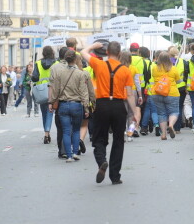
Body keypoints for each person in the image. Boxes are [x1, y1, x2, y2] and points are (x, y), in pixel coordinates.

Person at [81, 41, 140, 185]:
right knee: (119, 141)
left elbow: (83, 52)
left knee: (99, 138)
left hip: (102, 105)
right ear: (119, 53)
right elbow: (130, 95)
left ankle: (102, 160)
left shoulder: (99, 65)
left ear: (107, 53)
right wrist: (134, 113)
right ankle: (115, 176)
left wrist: (94, 46)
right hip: (119, 106)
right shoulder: (125, 70)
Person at [49, 50, 93, 162]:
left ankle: (68, 155)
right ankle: (74, 153)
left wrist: (51, 102)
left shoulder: (60, 73)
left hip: (63, 105)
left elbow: (56, 90)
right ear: (75, 60)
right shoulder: (81, 74)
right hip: (76, 105)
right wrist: (86, 107)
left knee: (66, 131)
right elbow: (84, 92)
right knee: (76, 130)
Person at [151, 51, 183, 141]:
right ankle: (171, 125)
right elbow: (178, 81)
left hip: (157, 93)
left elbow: (154, 78)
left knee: (161, 113)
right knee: (174, 112)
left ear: (158, 59)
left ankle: (163, 134)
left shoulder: (154, 68)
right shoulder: (173, 68)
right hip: (171, 93)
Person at [32, 46, 58, 145]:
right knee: (50, 112)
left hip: (41, 91)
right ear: (52, 52)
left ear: (43, 53)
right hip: (53, 90)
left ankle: (46, 133)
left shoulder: (38, 63)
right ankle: (47, 134)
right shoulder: (56, 63)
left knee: (44, 113)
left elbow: (34, 77)